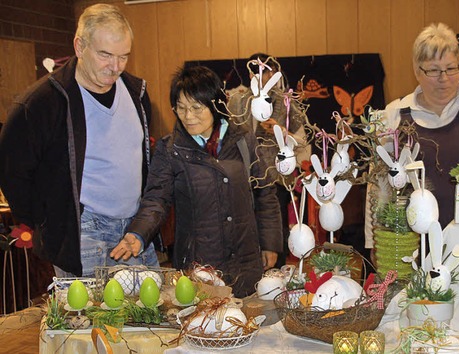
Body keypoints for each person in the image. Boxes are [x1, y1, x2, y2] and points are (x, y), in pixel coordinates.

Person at [0, 3, 159, 278]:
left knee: (149, 315)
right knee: (87, 319)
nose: (115, 67)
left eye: (123, 56)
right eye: (105, 55)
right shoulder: (42, 102)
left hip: (133, 231)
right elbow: (12, 172)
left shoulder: (136, 92)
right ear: (79, 46)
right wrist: (47, 220)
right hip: (82, 233)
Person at [111, 65, 282, 297]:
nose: (188, 117)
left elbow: (264, 193)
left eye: (196, 107)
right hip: (199, 265)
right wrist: (138, 233)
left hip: (245, 259)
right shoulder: (170, 150)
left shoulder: (243, 141)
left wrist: (270, 242)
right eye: (180, 108)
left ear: (215, 105)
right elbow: (156, 200)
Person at [365, 23, 459, 251]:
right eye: (433, 70)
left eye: (451, 68)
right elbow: (378, 188)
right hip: (412, 244)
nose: (444, 78)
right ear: (416, 70)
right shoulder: (394, 114)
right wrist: (375, 242)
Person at [229, 53, 309, 268]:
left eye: (270, 71)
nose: (265, 76)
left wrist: (281, 131)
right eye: (261, 72)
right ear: (251, 74)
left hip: (276, 174)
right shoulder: (238, 100)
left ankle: (278, 272)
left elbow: (301, 141)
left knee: (276, 227)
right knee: (246, 225)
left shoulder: (285, 101)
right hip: (244, 174)